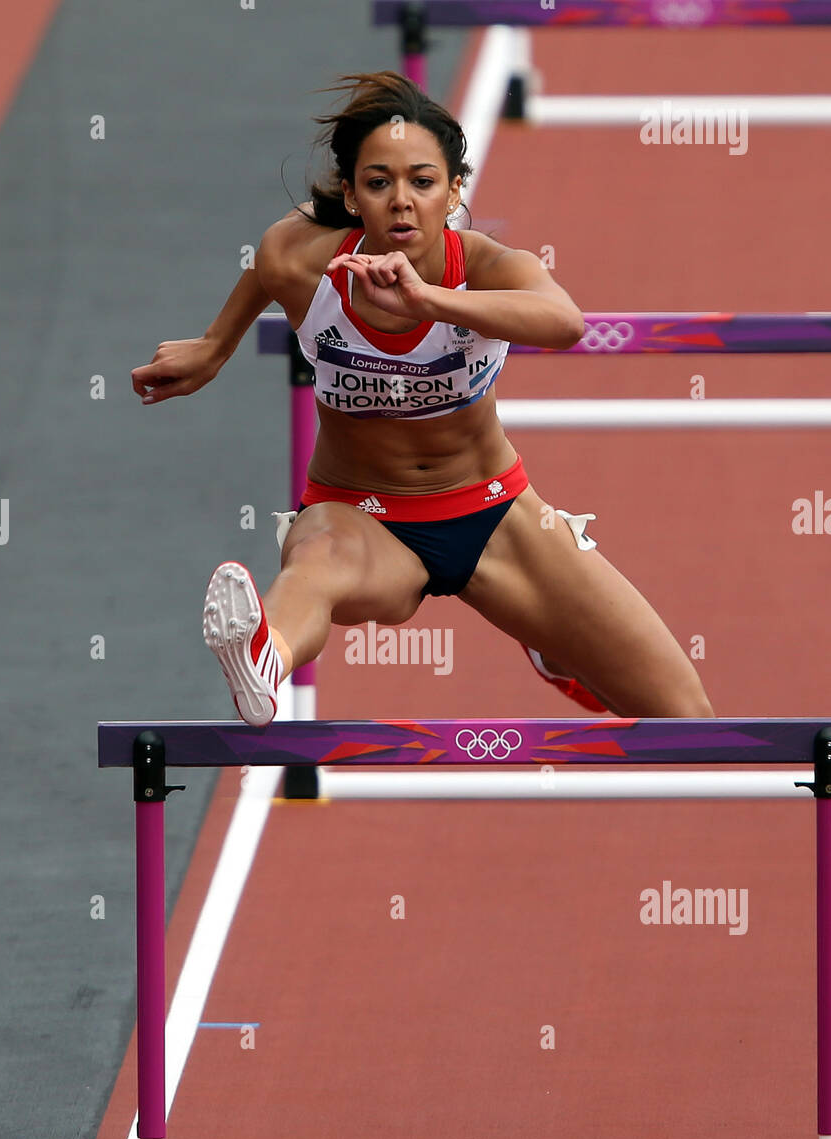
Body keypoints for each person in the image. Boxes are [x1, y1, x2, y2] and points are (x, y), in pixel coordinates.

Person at [131, 71, 714, 727]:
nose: (401, 201)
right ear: (351, 196)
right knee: (313, 560)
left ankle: (556, 647)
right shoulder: (301, 262)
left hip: (495, 516)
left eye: (423, 181)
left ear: (454, 190)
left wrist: (426, 300)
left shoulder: (493, 267)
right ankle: (264, 657)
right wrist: (214, 347)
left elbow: (566, 323)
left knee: (687, 716)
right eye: (379, 183)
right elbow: (264, 272)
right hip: (361, 515)